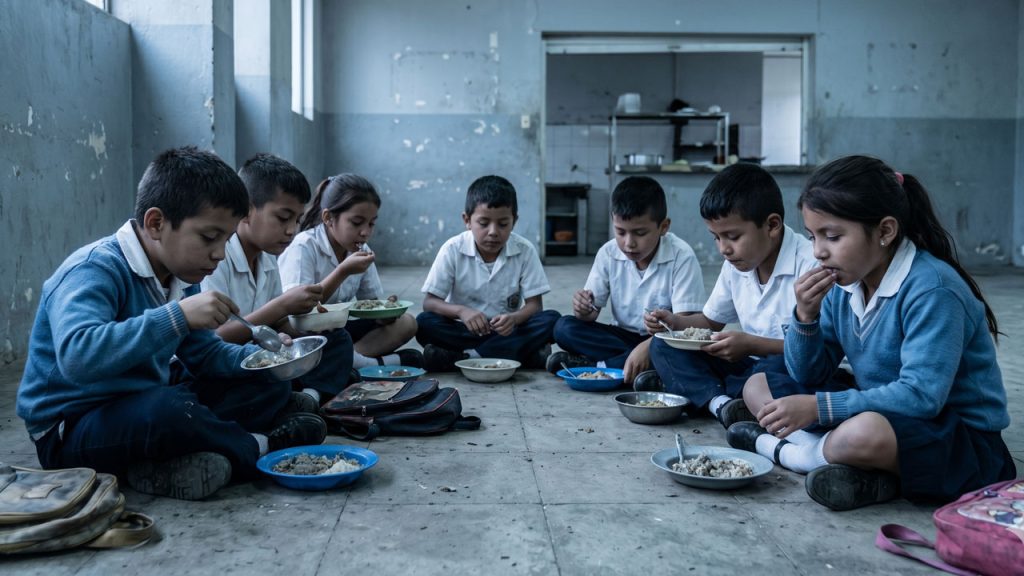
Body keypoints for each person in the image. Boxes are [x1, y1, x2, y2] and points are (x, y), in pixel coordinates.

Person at [16, 146, 327, 501]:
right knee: (170, 410)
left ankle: (165, 463)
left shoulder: (180, 275)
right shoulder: (92, 270)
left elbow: (204, 354)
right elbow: (78, 357)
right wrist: (176, 316)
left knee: (263, 383)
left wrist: (262, 361)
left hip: (140, 403)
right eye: (209, 238)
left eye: (226, 240)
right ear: (156, 223)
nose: (219, 254)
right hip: (71, 428)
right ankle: (259, 447)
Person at [727, 155, 1015, 511]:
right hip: (884, 409)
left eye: (832, 236)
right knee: (759, 383)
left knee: (864, 434)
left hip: (957, 437)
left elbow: (922, 397)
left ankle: (792, 453)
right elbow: (810, 374)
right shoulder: (843, 284)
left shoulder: (932, 289)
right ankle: (857, 469)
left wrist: (819, 408)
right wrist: (805, 316)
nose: (818, 251)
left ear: (885, 232)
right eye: (813, 236)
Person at [635, 164, 820, 429]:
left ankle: (701, 391)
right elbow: (711, 323)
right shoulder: (737, 264)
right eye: (716, 238)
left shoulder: (810, 265)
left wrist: (752, 345)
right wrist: (674, 323)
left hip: (787, 368)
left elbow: (816, 354)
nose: (724, 249)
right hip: (748, 364)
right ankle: (721, 404)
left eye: (732, 237)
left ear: (772, 225)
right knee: (663, 346)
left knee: (769, 377)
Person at [201, 153, 356, 408]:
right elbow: (214, 341)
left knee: (336, 340)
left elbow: (278, 323)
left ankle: (309, 399)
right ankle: (307, 395)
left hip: (266, 354)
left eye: (297, 220)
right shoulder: (217, 257)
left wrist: (309, 331)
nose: (291, 230)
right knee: (252, 383)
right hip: (233, 361)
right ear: (246, 211)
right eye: (283, 218)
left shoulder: (268, 257)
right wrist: (283, 305)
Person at [546, 176, 705, 384]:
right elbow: (590, 315)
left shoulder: (681, 256)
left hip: (665, 341)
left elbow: (683, 328)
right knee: (564, 327)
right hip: (620, 337)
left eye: (640, 233)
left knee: (686, 352)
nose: (629, 243)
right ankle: (640, 367)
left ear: (663, 227)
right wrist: (582, 308)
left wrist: (648, 347)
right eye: (620, 232)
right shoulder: (609, 252)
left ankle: (598, 367)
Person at [277, 173, 422, 369]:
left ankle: (348, 362)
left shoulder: (362, 250)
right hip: (306, 332)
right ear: (328, 218)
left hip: (339, 329)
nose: (365, 232)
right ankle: (367, 364)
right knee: (325, 338)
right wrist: (342, 271)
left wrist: (387, 311)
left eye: (371, 223)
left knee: (407, 323)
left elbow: (372, 303)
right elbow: (297, 312)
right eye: (356, 222)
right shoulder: (304, 246)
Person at [416, 175, 559, 371]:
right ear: (467, 220)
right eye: (483, 223)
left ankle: (468, 357)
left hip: (507, 331)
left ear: (514, 221)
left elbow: (535, 306)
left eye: (503, 224)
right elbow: (429, 303)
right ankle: (517, 355)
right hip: (463, 330)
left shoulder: (524, 250)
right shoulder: (452, 248)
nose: (493, 232)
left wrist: (514, 319)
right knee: (424, 323)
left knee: (551, 321)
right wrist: (462, 311)